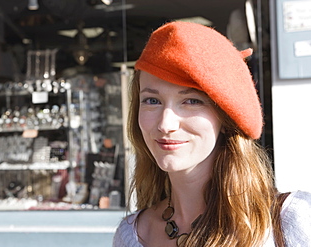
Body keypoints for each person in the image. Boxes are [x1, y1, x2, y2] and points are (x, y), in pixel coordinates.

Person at [113, 21, 311, 247]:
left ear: (226, 119)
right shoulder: (133, 235)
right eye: (152, 100)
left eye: (191, 101)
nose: (165, 124)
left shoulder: (291, 222)